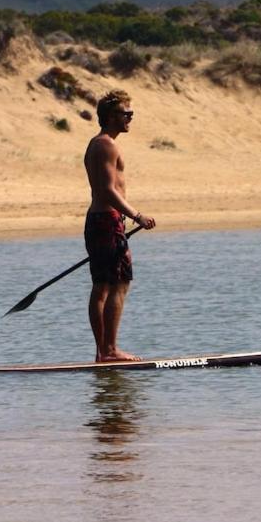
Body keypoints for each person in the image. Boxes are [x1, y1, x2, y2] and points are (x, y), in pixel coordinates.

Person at [83, 90, 156, 362]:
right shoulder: (105, 145)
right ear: (111, 116)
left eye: (131, 114)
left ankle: (103, 352)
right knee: (117, 284)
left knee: (104, 285)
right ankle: (109, 350)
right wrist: (137, 216)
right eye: (126, 114)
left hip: (104, 222)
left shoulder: (101, 144)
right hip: (106, 221)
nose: (130, 119)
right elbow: (107, 190)